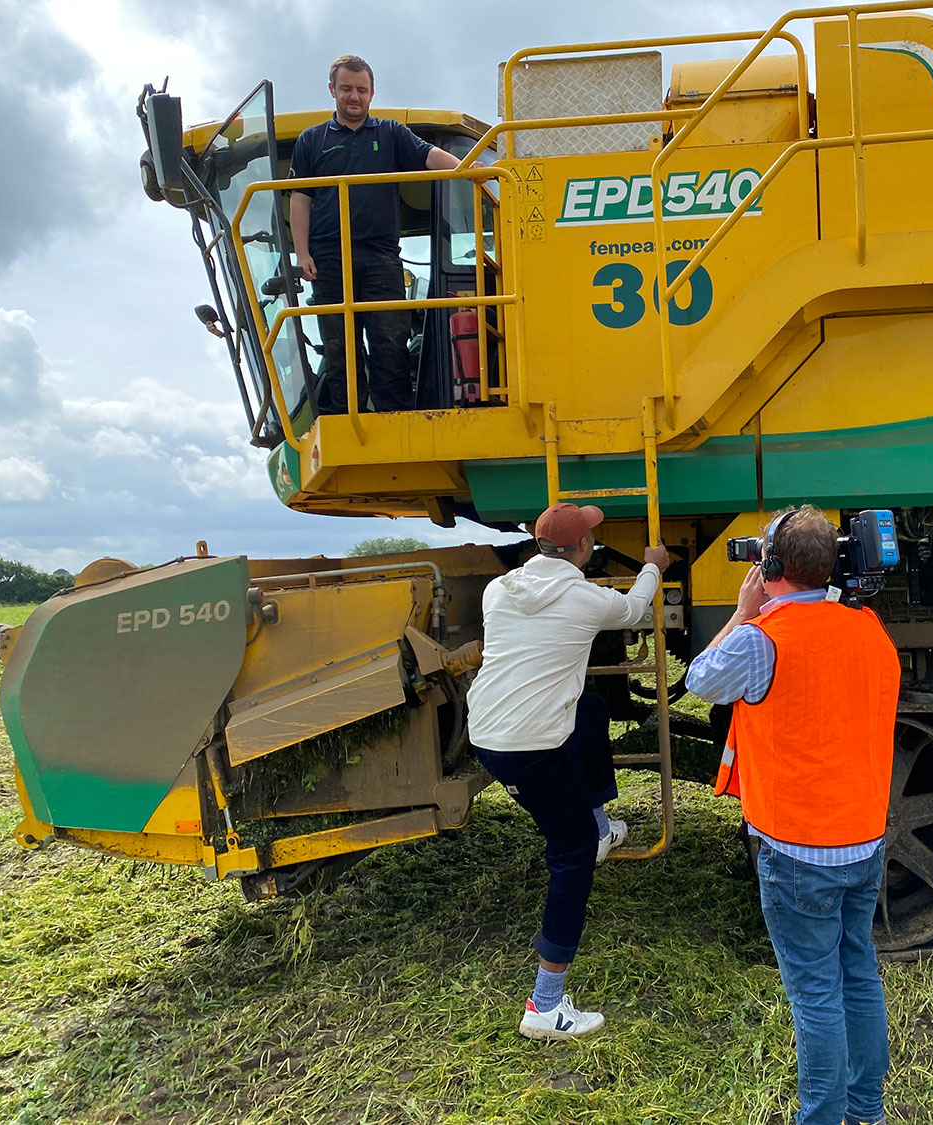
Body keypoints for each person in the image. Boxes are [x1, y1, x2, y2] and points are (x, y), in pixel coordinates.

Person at [686, 505, 901, 1125]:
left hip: (799, 851)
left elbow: (700, 680)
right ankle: (867, 1111)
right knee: (858, 973)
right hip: (864, 841)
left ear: (769, 566)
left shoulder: (762, 639)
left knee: (815, 995)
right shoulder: (870, 629)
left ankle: (822, 1118)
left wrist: (741, 611)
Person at [466, 501, 671, 1040]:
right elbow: (632, 611)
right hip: (529, 748)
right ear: (582, 549)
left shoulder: (498, 590)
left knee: (590, 711)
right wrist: (653, 564)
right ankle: (545, 1006)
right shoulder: (583, 597)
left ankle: (600, 826)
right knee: (572, 856)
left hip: (487, 730)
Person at [287, 55, 461, 414]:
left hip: (380, 254)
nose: (355, 96)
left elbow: (428, 156)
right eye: (347, 88)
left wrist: (467, 167)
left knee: (390, 338)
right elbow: (300, 201)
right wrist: (302, 254)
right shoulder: (311, 141)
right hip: (328, 256)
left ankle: (393, 414)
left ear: (372, 93)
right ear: (332, 89)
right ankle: (349, 414)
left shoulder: (390, 133)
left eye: (362, 90)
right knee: (338, 342)